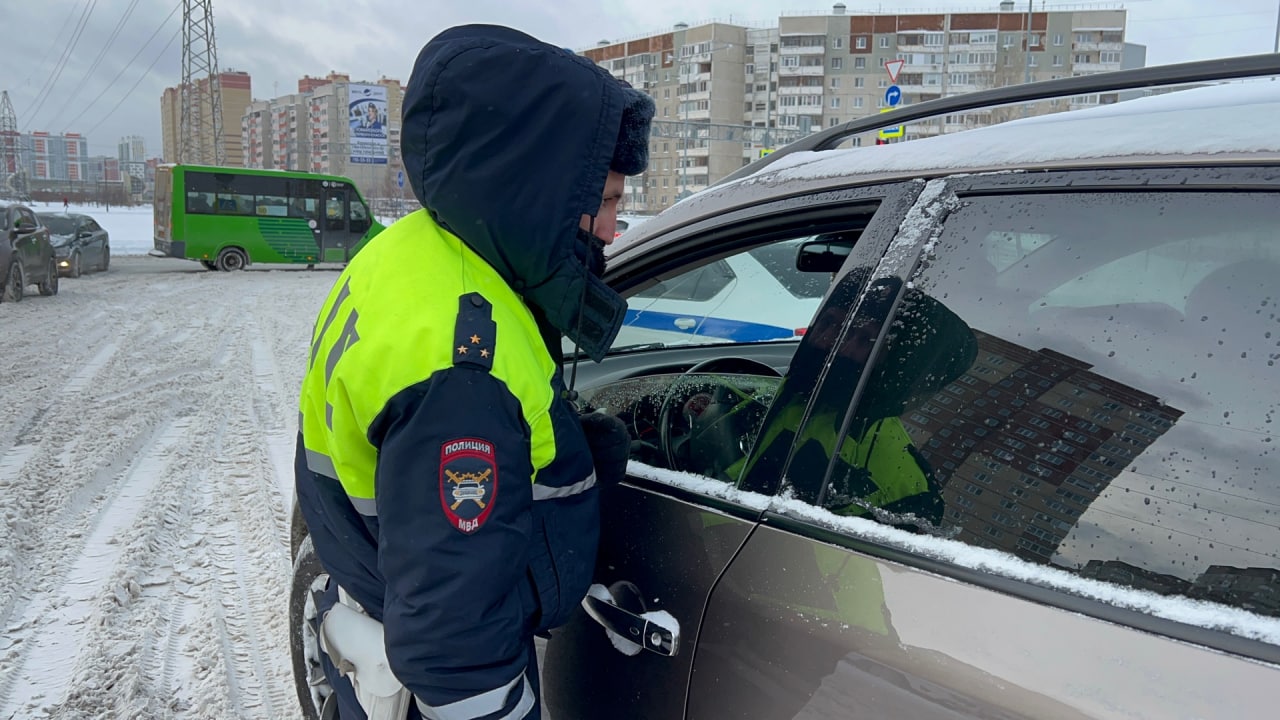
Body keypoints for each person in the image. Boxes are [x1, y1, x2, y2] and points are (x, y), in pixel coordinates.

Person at [294, 24, 653, 720]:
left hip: (373, 583)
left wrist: (556, 448)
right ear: (537, 191)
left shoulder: (412, 250)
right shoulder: (465, 372)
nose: (613, 230)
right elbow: (461, 659)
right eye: (606, 201)